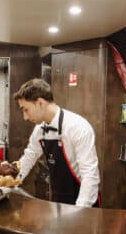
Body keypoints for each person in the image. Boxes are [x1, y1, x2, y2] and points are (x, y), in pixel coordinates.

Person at [14, 79, 101, 207]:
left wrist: (81, 211)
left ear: (40, 103)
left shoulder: (77, 127)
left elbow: (90, 175)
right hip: (58, 200)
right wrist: (11, 182)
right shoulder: (40, 130)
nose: (25, 117)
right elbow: (29, 157)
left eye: (26, 110)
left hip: (84, 202)